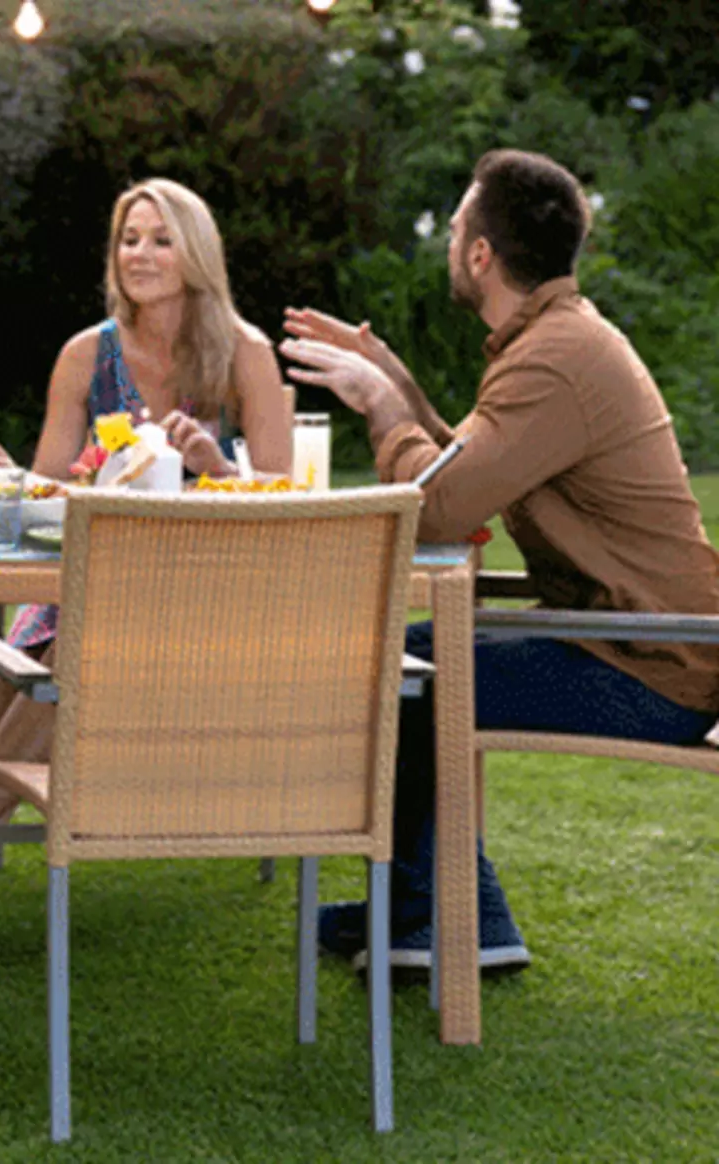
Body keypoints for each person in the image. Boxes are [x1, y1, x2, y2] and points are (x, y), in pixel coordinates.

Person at [280, 149, 719, 976]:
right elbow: (466, 470)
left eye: (455, 229)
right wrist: (397, 381)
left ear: (481, 253)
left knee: (410, 672)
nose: (451, 243)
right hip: (635, 642)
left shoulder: (555, 357)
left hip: (655, 662)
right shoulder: (554, 342)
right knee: (411, 659)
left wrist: (380, 405)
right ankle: (441, 907)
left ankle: (439, 916)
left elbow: (437, 507)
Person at [0, 177, 294, 956]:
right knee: (32, 653)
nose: (140, 253)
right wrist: (10, 472)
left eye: (160, 238)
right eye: (129, 238)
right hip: (93, 588)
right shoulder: (84, 355)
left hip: (209, 611)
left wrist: (216, 468)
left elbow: (281, 502)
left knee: (57, 654)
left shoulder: (247, 357)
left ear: (196, 254)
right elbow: (53, 498)